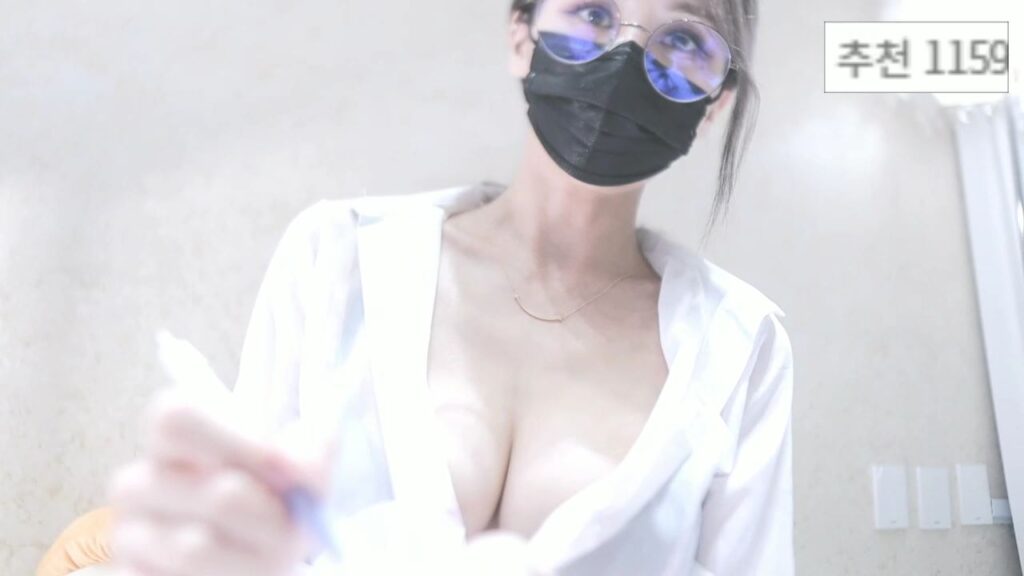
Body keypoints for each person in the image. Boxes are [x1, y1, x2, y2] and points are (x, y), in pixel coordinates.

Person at [108, 0, 794, 574]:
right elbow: (241, 532)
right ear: (521, 35)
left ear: (715, 103)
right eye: (592, 13)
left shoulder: (741, 349)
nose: (625, 59)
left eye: (683, 39)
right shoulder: (338, 254)